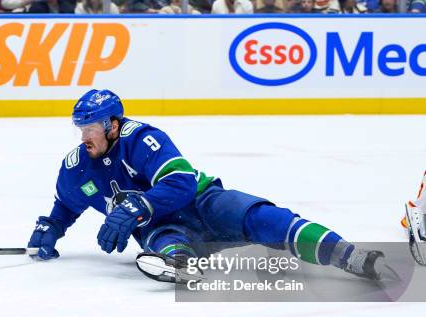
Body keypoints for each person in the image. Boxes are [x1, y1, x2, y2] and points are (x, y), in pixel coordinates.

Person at [28, 89, 391, 283]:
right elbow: (66, 204)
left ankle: (350, 255)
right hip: (161, 224)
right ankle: (181, 261)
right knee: (161, 236)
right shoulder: (77, 168)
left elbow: (182, 183)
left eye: (91, 128)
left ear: (112, 125)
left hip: (203, 201)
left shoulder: (143, 139)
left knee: (265, 219)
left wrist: (138, 205)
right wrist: (52, 226)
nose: (84, 137)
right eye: (81, 129)